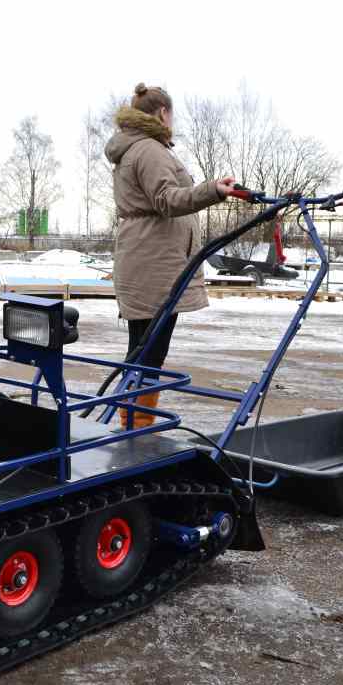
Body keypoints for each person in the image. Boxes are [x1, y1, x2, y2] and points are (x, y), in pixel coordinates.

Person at [105, 83, 234, 428]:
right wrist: (213, 190)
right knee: (149, 350)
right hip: (155, 263)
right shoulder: (149, 149)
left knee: (144, 348)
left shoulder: (137, 147)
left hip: (148, 257)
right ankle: (136, 426)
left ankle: (133, 422)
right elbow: (167, 198)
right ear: (163, 113)